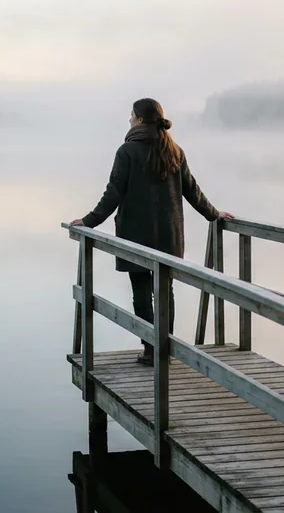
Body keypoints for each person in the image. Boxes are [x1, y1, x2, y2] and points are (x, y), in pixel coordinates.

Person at [70, 98, 233, 366]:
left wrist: (88, 221)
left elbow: (113, 193)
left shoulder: (127, 151)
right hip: (169, 235)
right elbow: (192, 190)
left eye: (131, 115)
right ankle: (165, 349)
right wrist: (213, 214)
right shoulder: (174, 150)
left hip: (136, 235)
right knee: (166, 292)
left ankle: (150, 349)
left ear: (140, 119)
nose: (129, 119)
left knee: (142, 292)